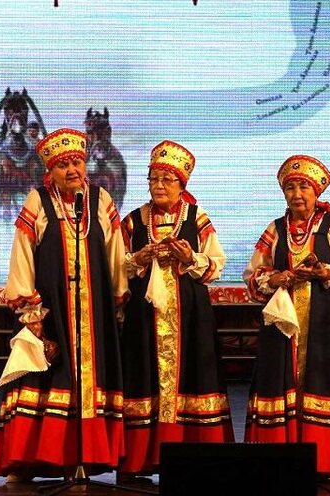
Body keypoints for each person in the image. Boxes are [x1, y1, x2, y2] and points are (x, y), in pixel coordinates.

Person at [0, 128, 128, 482]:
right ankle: (28, 462)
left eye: (77, 162)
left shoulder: (100, 200)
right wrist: (29, 310)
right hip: (50, 311)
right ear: (50, 171)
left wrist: (119, 299)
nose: (72, 170)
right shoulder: (37, 201)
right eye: (63, 165)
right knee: (43, 380)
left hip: (94, 312)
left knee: (90, 381)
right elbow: (22, 255)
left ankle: (83, 459)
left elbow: (115, 253)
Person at [242, 155, 330, 478]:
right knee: (281, 381)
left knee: (325, 380)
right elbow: (253, 273)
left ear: (316, 192)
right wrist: (276, 277)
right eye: (291, 188)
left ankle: (328, 460)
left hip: (327, 323)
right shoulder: (275, 229)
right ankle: (281, 459)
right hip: (282, 325)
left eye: (304, 187)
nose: (297, 194)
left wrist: (326, 271)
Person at [118, 141, 233, 478]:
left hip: (191, 316)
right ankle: (141, 459)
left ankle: (195, 459)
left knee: (193, 377)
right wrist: (139, 258)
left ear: (182, 185)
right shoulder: (133, 221)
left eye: (167, 179)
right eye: (153, 179)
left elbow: (216, 264)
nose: (159, 185)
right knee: (143, 377)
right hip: (144, 317)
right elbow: (116, 265)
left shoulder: (197, 218)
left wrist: (189, 258)